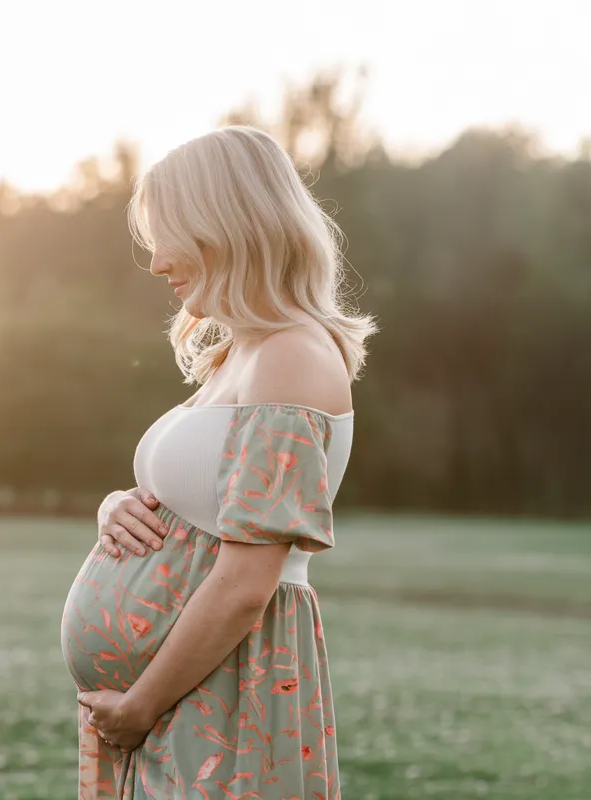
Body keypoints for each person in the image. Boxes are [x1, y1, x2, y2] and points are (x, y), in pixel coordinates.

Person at [60, 125, 376, 799]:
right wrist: (117, 508)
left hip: (225, 693)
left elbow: (245, 584)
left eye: (169, 234)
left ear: (225, 226)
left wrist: (141, 705)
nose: (156, 263)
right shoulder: (243, 353)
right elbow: (198, 500)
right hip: (182, 696)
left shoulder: (291, 358)